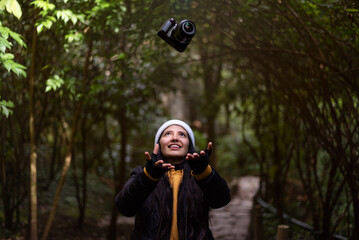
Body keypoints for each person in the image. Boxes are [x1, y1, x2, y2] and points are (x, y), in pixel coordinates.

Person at [115, 119, 231, 240]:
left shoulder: (200, 175)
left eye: (182, 134)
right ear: (158, 145)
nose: (175, 138)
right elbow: (124, 207)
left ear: (189, 145)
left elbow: (221, 200)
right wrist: (148, 177)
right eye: (168, 134)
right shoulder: (142, 174)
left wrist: (205, 174)